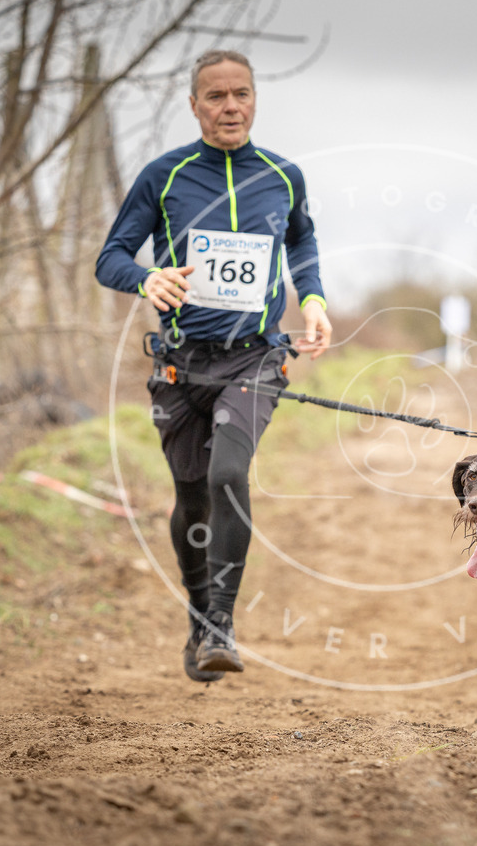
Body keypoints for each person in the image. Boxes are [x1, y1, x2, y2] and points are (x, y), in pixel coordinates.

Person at [95, 49, 331, 682]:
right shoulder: (165, 177)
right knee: (192, 498)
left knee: (230, 470)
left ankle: (222, 624)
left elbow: (302, 240)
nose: (231, 106)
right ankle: (199, 618)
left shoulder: (283, 176)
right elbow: (110, 257)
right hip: (181, 365)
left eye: (242, 94)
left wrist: (311, 300)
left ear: (255, 99)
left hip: (256, 356)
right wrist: (147, 280)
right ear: (194, 104)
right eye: (217, 96)